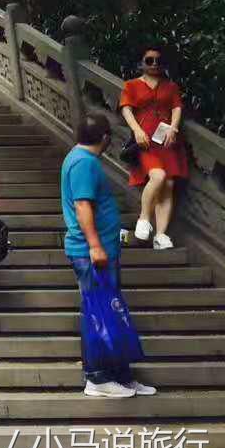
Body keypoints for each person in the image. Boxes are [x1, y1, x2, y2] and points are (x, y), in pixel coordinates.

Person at [62, 113, 158, 399]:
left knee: (110, 310)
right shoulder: (83, 163)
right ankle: (97, 377)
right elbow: (82, 206)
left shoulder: (82, 159)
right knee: (97, 313)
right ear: (105, 138)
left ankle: (120, 375)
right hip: (90, 252)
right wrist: (95, 245)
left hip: (101, 248)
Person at [119, 46, 186, 250]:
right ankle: (144, 219)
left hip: (166, 140)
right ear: (141, 63)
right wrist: (137, 131)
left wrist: (173, 128)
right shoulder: (131, 85)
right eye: (149, 60)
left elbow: (176, 107)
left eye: (158, 60)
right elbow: (126, 109)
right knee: (158, 177)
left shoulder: (171, 86)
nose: (154, 64)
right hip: (146, 141)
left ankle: (160, 235)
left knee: (169, 185)